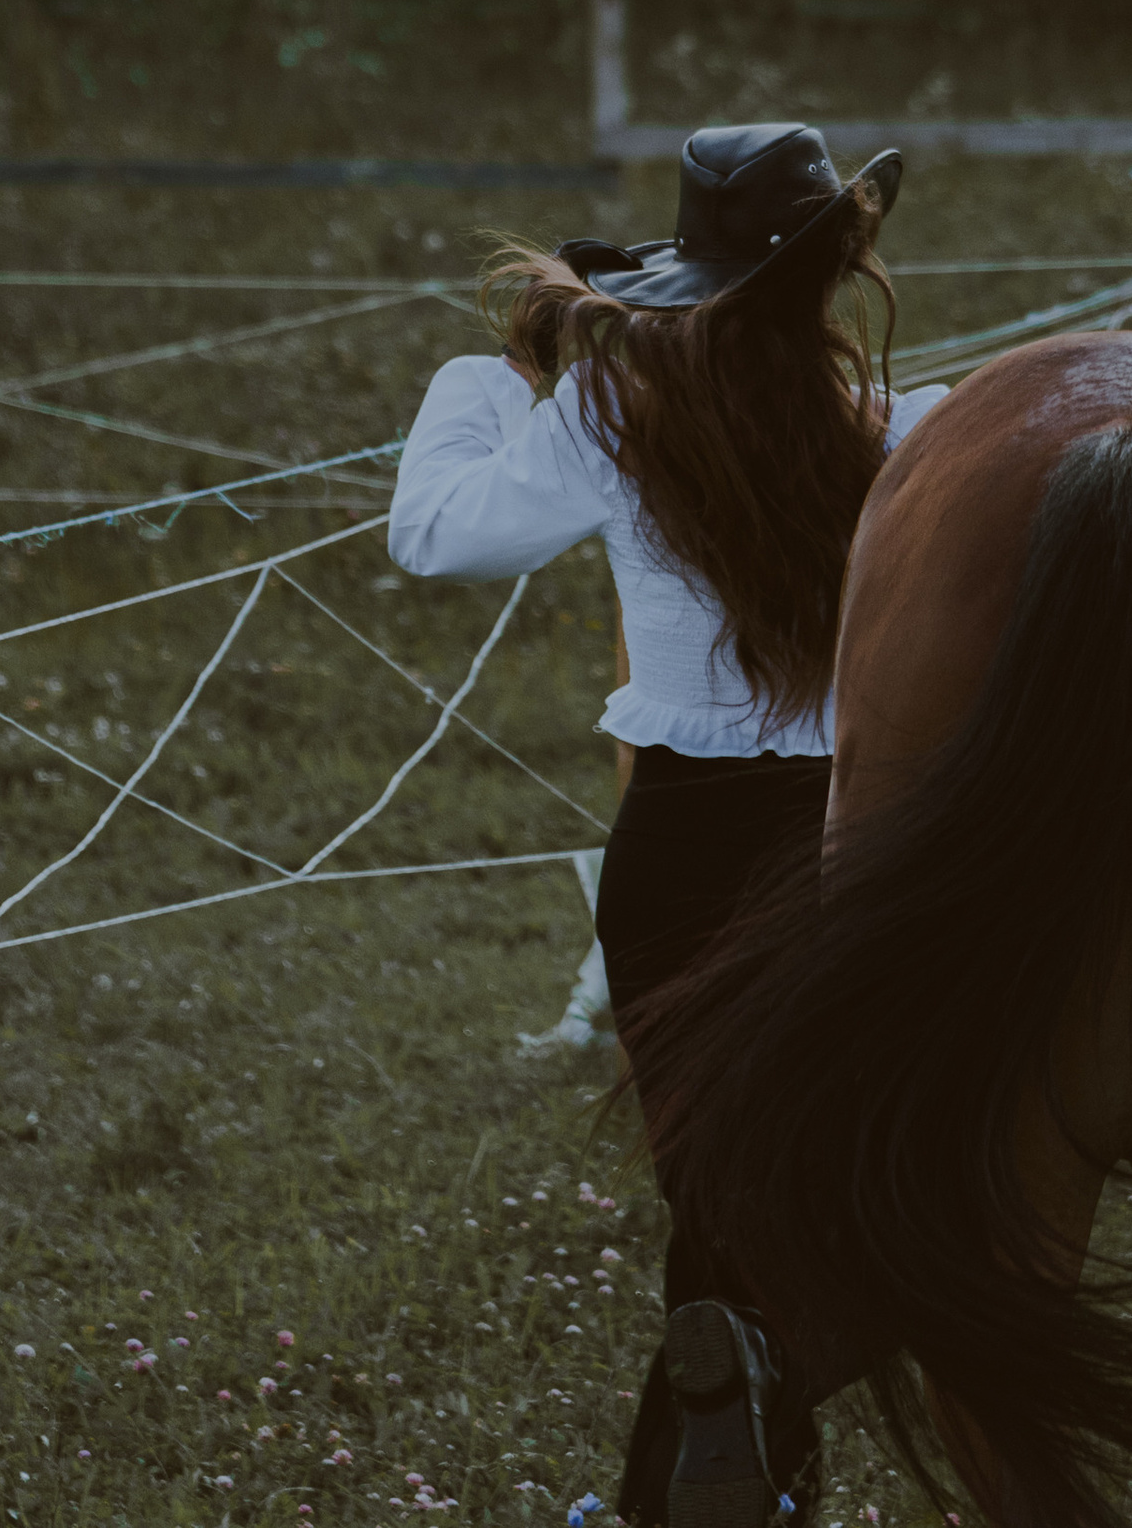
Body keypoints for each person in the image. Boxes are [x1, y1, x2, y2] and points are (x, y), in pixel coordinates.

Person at [387, 120, 949, 1528]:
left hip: (680, 846)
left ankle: (698, 1484)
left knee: (718, 1194)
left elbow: (436, 533)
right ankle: (732, 1470)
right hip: (846, 838)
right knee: (785, 1189)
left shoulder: (612, 412)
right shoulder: (897, 426)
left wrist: (491, 376)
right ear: (834, 269)